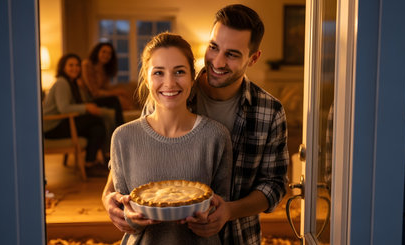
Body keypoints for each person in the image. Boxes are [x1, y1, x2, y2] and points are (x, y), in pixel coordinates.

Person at [102, 4, 289, 244]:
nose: (217, 62)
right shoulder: (172, 93)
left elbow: (274, 184)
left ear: (253, 58)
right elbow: (128, 159)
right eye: (214, 47)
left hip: (237, 236)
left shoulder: (270, 112)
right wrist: (108, 198)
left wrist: (229, 211)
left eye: (231, 54)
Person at [108, 33, 233, 244]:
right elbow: (124, 210)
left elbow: (220, 206)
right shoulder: (123, 137)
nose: (169, 82)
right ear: (146, 79)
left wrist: (209, 221)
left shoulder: (216, 136)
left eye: (179, 72)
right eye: (158, 72)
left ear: (192, 77)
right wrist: (131, 218)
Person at [43, 53, 106, 167]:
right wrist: (87, 107)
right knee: (96, 120)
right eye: (71, 65)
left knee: (97, 128)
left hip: (62, 122)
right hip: (52, 126)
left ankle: (89, 163)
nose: (75, 68)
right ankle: (94, 160)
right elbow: (64, 108)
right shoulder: (62, 82)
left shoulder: (72, 83)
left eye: (77, 65)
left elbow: (79, 102)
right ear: (63, 67)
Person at [81, 42, 133, 113]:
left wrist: (119, 91)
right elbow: (95, 92)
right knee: (117, 100)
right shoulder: (87, 64)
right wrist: (116, 92)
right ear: (97, 52)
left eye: (109, 53)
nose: (106, 55)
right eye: (104, 52)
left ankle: (132, 115)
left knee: (123, 96)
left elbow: (106, 89)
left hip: (100, 97)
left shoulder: (104, 68)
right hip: (88, 99)